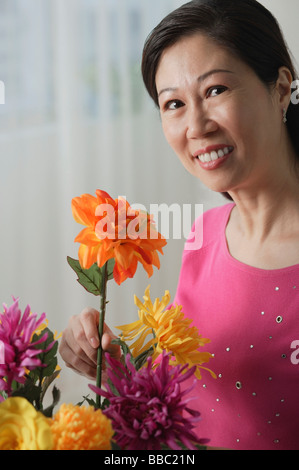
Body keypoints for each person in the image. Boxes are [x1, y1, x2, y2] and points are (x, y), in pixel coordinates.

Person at [59, 0, 299, 450]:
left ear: (281, 88)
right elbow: (196, 399)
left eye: (215, 91)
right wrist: (113, 369)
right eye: (173, 103)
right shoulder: (203, 236)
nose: (196, 125)